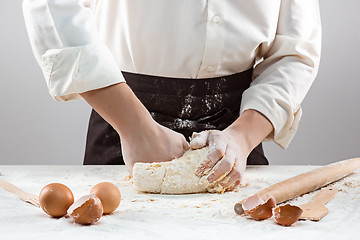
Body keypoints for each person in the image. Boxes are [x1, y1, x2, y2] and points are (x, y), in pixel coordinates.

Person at [22, 0, 321, 191]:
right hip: (124, 118)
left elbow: (296, 50)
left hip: (236, 135)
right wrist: (135, 127)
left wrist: (241, 138)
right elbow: (51, 6)